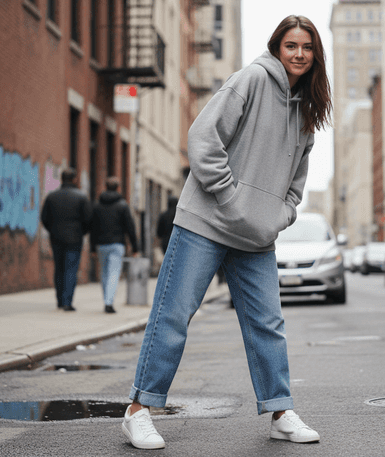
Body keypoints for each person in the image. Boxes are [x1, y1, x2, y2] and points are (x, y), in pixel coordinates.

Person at [120, 15, 332, 450]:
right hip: (206, 222)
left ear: (315, 56)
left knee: (267, 324)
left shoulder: (306, 113)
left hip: (256, 238)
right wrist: (229, 197)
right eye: (291, 45)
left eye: (307, 48)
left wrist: (279, 216)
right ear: (278, 47)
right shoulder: (252, 79)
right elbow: (202, 137)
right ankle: (139, 411)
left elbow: (295, 185)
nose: (298, 54)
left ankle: (279, 411)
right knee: (174, 316)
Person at [40, 169, 92, 311]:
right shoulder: (81, 197)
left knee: (59, 268)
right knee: (71, 270)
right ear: (74, 179)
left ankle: (59, 300)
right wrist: (81, 232)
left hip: (56, 237)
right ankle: (67, 302)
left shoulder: (52, 196)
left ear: (62, 179)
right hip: (74, 239)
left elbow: (44, 218)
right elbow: (88, 220)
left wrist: (53, 230)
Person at [90, 176, 140, 314]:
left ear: (105, 187)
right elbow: (130, 227)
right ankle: (108, 302)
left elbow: (92, 228)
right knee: (113, 273)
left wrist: (92, 247)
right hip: (117, 244)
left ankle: (107, 300)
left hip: (101, 245)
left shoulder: (97, 205)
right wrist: (135, 247)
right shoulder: (122, 205)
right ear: (118, 188)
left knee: (104, 273)